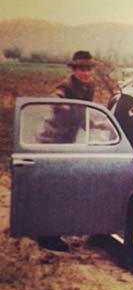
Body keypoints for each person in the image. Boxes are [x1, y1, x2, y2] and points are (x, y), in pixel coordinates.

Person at [37, 50, 96, 252]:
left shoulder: (90, 87)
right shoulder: (66, 85)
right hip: (51, 141)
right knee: (52, 189)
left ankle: (56, 230)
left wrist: (96, 125)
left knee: (64, 188)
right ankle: (46, 236)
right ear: (74, 70)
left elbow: (85, 112)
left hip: (67, 141)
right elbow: (56, 98)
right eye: (81, 69)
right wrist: (62, 105)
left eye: (88, 69)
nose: (85, 73)